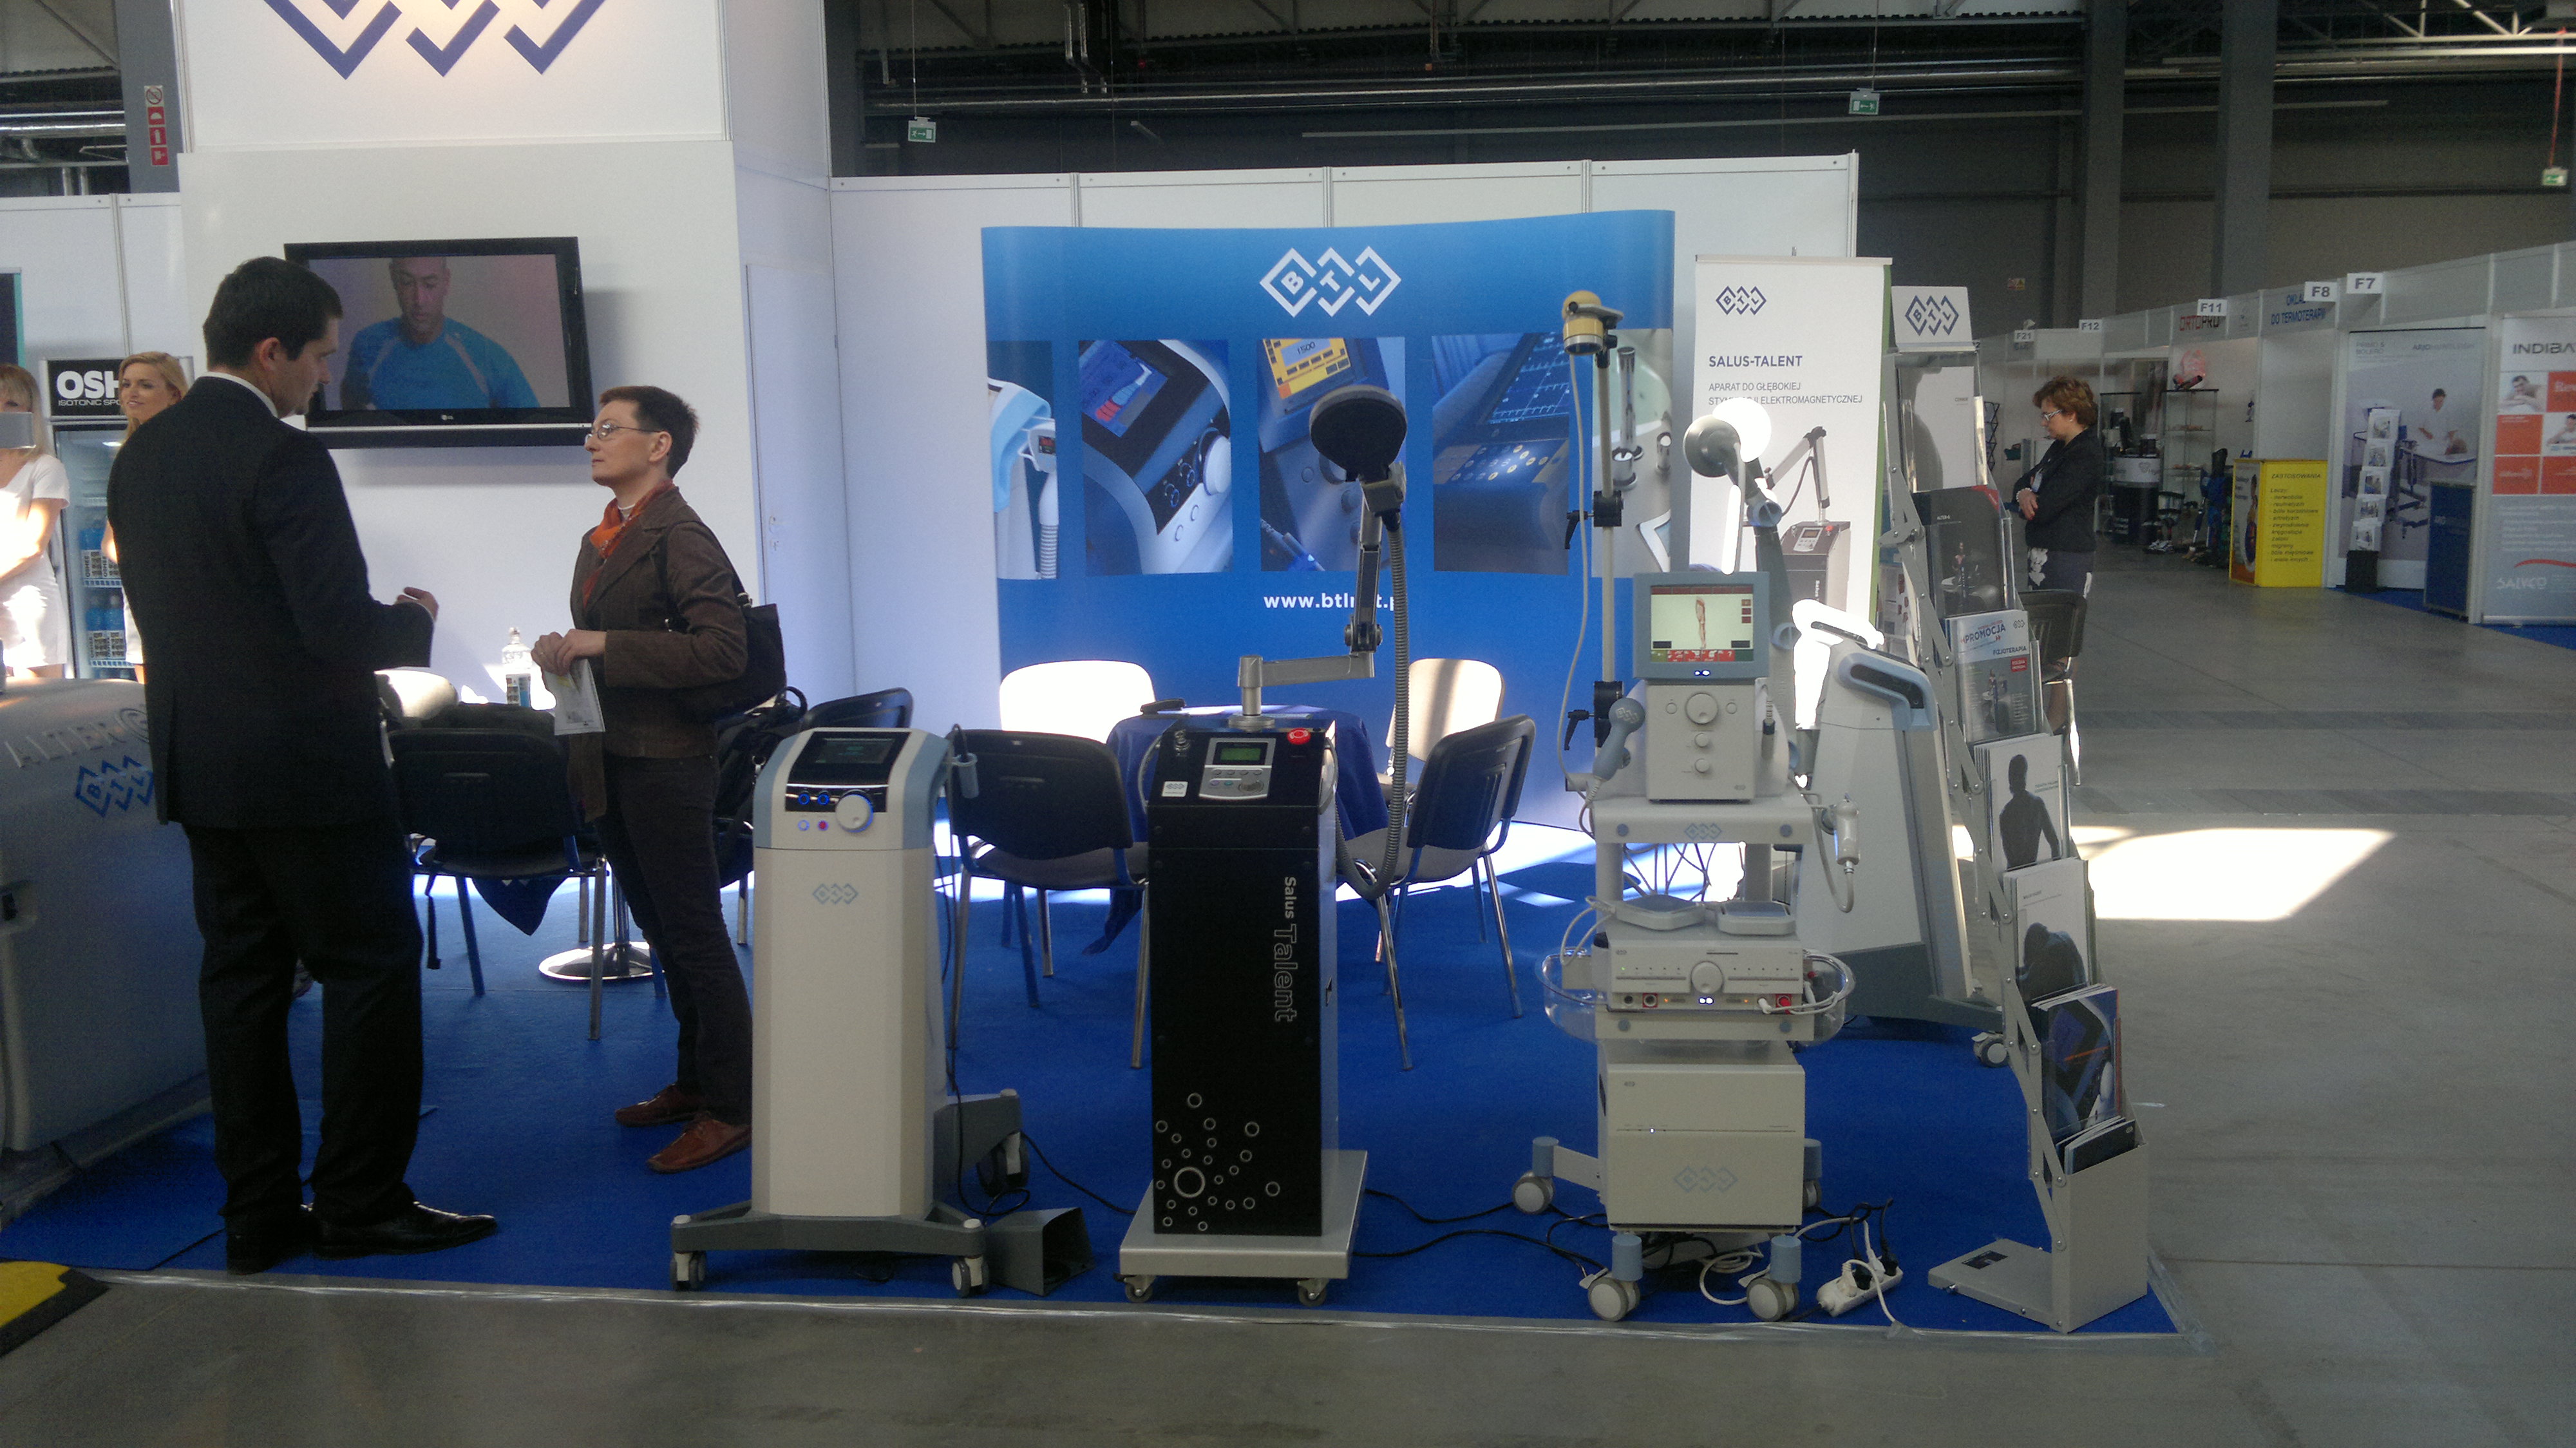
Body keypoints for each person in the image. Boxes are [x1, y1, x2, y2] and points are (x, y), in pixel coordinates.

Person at [106, 256, 496, 1275]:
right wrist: (410, 623)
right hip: (308, 768)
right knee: (369, 968)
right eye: (319, 358)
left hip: (201, 761)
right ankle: (362, 1200)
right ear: (271, 351)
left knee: (242, 986)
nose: (324, 377)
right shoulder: (283, 457)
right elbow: (334, 628)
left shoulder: (143, 456)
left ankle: (260, 1215)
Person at [532, 386, 753, 1174]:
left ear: (658, 446)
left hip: (667, 761)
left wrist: (601, 644)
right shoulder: (604, 538)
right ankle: (697, 1082)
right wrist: (565, 651)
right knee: (664, 932)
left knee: (693, 934)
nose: (591, 440)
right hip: (609, 756)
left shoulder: (679, 534)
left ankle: (735, 1105)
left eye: (608, 428)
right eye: (592, 428)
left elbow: (723, 651)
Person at [339, 256, 540, 412]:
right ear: (393, 278)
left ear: (446, 281)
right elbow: (350, 402)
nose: (419, 300)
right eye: (407, 282)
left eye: (430, 284)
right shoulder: (368, 345)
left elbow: (532, 427)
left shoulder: (488, 356)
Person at [106, 351, 193, 680]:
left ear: (174, 394)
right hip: (142, 587)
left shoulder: (189, 450)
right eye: (126, 384)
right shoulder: (127, 452)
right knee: (149, 685)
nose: (132, 392)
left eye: (145, 385)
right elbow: (112, 537)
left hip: (186, 591)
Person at [0, 365, 71, 681]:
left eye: (11, 403)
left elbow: (32, 546)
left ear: (29, 411)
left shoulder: (45, 466)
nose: (1, 411)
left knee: (36, 699)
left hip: (26, 599)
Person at [2014, 376, 2104, 596]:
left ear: (2071, 414)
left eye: (2048, 416)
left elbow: (2044, 508)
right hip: (2044, 551)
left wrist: (2030, 497)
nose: (2044, 423)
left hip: (2066, 554)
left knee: (2058, 615)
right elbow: (2026, 480)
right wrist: (2024, 493)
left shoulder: (2085, 454)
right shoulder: (2060, 447)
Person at [1996, 752, 2063, 870]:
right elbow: (2054, 842)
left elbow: (2010, 855)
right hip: (2028, 868)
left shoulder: (2007, 813)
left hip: (2016, 871)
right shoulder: (2035, 804)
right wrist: (2057, 869)